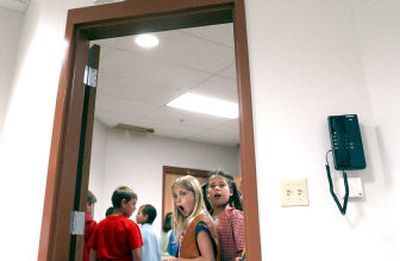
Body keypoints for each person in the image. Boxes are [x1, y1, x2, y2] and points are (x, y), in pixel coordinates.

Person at [163, 175, 218, 261]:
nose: (178, 200)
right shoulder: (191, 222)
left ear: (196, 195)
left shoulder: (200, 223)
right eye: (175, 196)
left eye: (183, 194)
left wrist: (177, 260)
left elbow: (209, 259)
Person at [88, 186, 143, 261]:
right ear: (123, 203)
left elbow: (92, 252)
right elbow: (137, 256)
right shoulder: (131, 226)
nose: (135, 208)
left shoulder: (100, 225)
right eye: (133, 204)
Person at [205, 170, 245, 261]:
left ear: (231, 192)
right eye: (212, 186)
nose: (217, 188)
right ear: (207, 193)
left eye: (222, 185)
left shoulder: (237, 217)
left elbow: (242, 255)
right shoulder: (204, 219)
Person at [83, 190, 97, 261]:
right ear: (88, 204)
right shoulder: (92, 224)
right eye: (92, 205)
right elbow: (94, 247)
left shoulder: (75, 220)